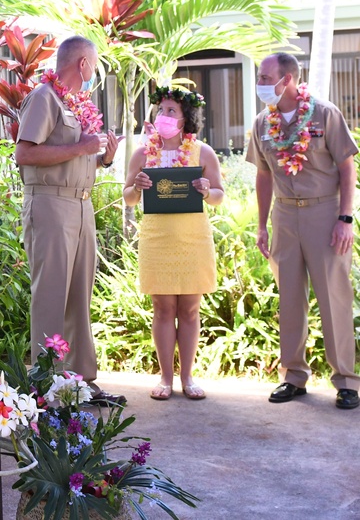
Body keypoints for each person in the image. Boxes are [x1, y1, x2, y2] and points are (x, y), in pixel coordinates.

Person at [15, 35, 125, 406]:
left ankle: (80, 383)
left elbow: (77, 157)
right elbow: (25, 154)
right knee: (51, 296)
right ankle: (47, 387)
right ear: (82, 64)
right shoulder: (44, 97)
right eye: (93, 64)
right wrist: (81, 147)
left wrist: (103, 158)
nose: (94, 72)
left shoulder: (76, 103)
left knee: (79, 296)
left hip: (81, 205)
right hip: (50, 205)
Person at [247, 52, 360, 411]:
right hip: (284, 216)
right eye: (260, 78)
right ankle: (293, 376)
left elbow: (346, 168)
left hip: (324, 214)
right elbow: (263, 175)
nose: (262, 84)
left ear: (289, 79)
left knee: (334, 297)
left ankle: (345, 380)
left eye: (267, 77)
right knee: (290, 298)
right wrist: (262, 225)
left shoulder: (325, 113)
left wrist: (346, 219)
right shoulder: (263, 122)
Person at [122, 86, 223, 401]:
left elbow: (219, 197)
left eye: (171, 111)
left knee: (190, 310)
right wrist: (136, 187)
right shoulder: (142, 154)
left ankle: (187, 377)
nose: (163, 116)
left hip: (192, 238)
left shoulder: (202, 152)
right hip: (157, 238)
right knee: (163, 308)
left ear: (185, 119)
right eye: (160, 110)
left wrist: (207, 190)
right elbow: (127, 197)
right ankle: (165, 378)